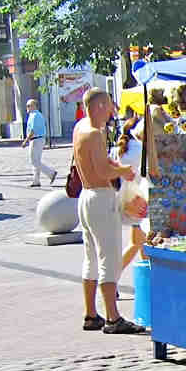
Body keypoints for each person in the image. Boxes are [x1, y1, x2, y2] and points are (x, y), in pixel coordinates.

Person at [73, 89, 143, 334]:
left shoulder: (81, 127)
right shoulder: (93, 133)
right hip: (100, 197)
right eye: (109, 105)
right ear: (100, 106)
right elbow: (103, 171)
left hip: (85, 196)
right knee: (108, 258)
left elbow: (101, 162)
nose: (113, 110)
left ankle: (91, 314)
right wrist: (123, 172)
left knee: (91, 257)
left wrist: (119, 167)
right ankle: (113, 317)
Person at [114, 109, 148, 277]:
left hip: (127, 199)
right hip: (141, 199)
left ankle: (149, 280)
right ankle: (113, 276)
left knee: (140, 243)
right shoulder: (140, 148)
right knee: (137, 243)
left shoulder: (121, 149)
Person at [22, 99, 57, 187]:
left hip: (36, 139)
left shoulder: (35, 115)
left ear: (34, 106)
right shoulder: (34, 115)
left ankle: (51, 173)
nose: (27, 108)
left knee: (33, 161)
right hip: (38, 139)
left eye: (29, 106)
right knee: (36, 160)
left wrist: (26, 140)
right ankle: (36, 180)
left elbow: (33, 130)